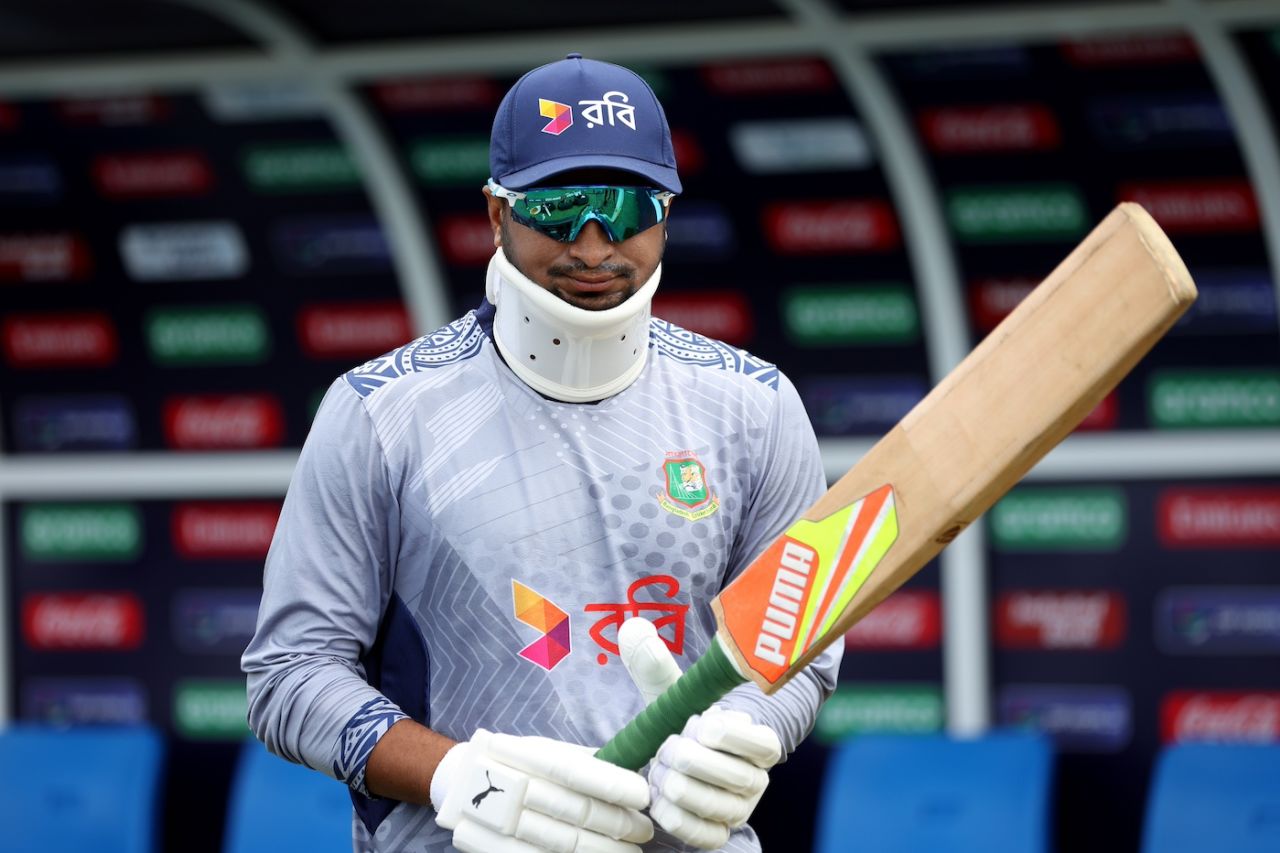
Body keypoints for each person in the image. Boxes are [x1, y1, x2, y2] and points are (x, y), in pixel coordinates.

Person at [243, 53, 841, 853]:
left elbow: (798, 650)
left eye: (625, 208)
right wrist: (460, 776)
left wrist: (737, 733)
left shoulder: (754, 406)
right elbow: (288, 673)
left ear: (667, 212)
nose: (594, 246)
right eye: (559, 209)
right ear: (497, 214)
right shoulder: (380, 411)